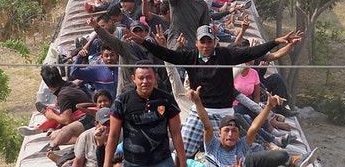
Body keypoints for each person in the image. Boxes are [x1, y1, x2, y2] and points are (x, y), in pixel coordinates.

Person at [129, 24, 303, 158]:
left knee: (232, 153)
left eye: (209, 41)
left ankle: (281, 157)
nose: (206, 45)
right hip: (199, 112)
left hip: (224, 113)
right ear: (196, 43)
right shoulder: (189, 57)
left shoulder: (225, 55)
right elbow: (165, 54)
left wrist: (275, 42)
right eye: (202, 41)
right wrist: (143, 42)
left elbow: (251, 52)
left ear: (214, 42)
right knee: (183, 150)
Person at [187, 86, 318, 167]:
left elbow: (254, 128)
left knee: (281, 155)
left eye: (234, 131)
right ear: (219, 133)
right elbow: (207, 124)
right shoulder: (212, 146)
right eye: (227, 131)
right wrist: (197, 101)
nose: (231, 135)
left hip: (250, 159)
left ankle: (296, 159)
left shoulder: (241, 146)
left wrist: (269, 106)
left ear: (239, 134)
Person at [104, 60, 186, 167]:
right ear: (133, 78)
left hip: (162, 161)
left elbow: (176, 133)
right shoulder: (122, 102)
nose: (145, 81)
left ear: (155, 77)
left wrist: (183, 163)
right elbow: (113, 136)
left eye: (149, 77)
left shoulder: (167, 100)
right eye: (141, 78)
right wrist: (106, 164)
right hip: (133, 162)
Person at [39, 65, 95, 151]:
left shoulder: (63, 95)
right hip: (90, 114)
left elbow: (67, 120)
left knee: (56, 136)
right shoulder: (69, 85)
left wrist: (51, 115)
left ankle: (86, 140)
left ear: (48, 86)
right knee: (57, 130)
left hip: (89, 118)